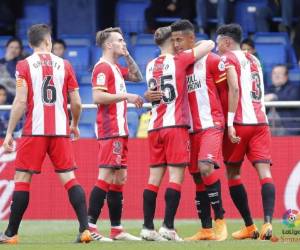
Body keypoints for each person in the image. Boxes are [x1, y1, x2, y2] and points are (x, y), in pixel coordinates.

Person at [0, 24, 92, 244]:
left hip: (35, 131)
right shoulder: (65, 64)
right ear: (48, 41)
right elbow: (76, 102)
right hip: (60, 131)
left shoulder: (24, 65)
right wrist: (74, 124)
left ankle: (11, 234)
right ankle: (85, 229)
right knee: (70, 179)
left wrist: (10, 132)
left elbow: (21, 101)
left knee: (22, 180)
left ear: (30, 44)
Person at [141, 26, 214, 241]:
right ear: (172, 42)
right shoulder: (180, 60)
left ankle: (147, 227)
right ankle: (168, 226)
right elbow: (210, 44)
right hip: (175, 126)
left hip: (154, 126)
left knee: (153, 179)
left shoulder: (150, 65)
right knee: (176, 177)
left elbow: (152, 93)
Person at [169, 19, 228, 241]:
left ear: (191, 39)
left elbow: (225, 92)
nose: (175, 44)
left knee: (205, 167)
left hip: (211, 124)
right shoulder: (178, 64)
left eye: (179, 39)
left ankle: (220, 220)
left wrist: (225, 122)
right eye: (173, 40)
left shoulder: (211, 61)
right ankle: (205, 229)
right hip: (189, 129)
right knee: (196, 176)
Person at [216, 23, 275, 240]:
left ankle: (250, 226)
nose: (216, 47)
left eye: (218, 42)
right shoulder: (254, 59)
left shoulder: (227, 58)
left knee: (233, 172)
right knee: (265, 173)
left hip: (240, 122)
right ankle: (268, 222)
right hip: (261, 122)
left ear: (226, 41)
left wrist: (229, 122)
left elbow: (234, 88)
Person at [88, 27, 144, 241]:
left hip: (120, 130)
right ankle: (90, 228)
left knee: (120, 177)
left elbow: (137, 77)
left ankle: (117, 229)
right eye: (120, 41)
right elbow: (97, 97)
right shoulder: (102, 68)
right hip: (110, 129)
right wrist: (126, 96)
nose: (124, 43)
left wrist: (127, 55)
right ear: (109, 45)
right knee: (106, 176)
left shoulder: (116, 68)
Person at [265, 64, 300, 135]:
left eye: (279, 73)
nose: (276, 76)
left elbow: (291, 98)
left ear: (286, 76)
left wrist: (274, 96)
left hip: (287, 126)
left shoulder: (294, 88)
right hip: (268, 126)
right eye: (274, 73)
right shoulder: (267, 89)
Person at [0, 37, 25, 103]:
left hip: (17, 97)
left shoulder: (23, 64)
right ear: (6, 48)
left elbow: (17, 79)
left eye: (16, 48)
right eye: (11, 47)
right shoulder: (1, 63)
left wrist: (10, 61)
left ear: (20, 50)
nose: (13, 50)